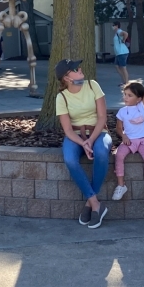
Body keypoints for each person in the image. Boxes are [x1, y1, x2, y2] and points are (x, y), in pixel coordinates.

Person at [55, 59, 111, 229]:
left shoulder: (93, 85)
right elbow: (68, 130)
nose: (80, 69)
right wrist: (83, 143)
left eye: (78, 66)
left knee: (101, 153)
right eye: (74, 69)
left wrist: (91, 140)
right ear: (66, 78)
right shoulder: (61, 97)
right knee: (70, 160)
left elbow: (102, 117)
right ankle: (95, 203)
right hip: (76, 136)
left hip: (99, 132)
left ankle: (89, 204)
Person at [112, 68, 144, 205]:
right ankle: (121, 185)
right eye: (125, 94)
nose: (125, 97)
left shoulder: (141, 107)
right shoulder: (122, 111)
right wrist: (123, 137)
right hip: (129, 141)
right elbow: (118, 128)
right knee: (119, 155)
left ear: (139, 98)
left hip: (143, 141)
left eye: (130, 95)